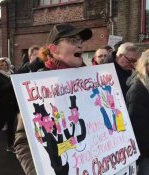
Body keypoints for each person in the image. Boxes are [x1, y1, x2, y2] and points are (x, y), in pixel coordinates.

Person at [14, 23, 92, 175]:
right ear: (54, 49)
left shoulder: (91, 81)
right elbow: (22, 142)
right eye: (73, 40)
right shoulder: (38, 87)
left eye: (80, 41)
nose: (80, 45)